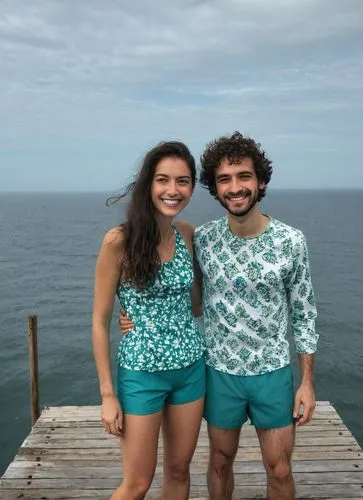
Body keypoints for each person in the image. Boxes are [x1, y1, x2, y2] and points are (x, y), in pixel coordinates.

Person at [120, 131, 319, 500]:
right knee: (219, 462)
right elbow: (177, 290)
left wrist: (306, 380)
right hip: (218, 370)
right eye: (224, 179)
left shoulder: (292, 241)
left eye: (244, 176)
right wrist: (131, 312)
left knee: (280, 468)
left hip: (272, 370)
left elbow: (304, 312)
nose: (235, 187)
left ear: (260, 181)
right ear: (214, 187)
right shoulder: (203, 238)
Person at [92, 141, 206, 500]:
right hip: (142, 373)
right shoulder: (119, 242)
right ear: (148, 184)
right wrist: (108, 394)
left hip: (190, 370)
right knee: (137, 483)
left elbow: (196, 306)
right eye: (163, 180)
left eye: (183, 181)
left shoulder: (187, 233)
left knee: (178, 471)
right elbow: (99, 321)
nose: (173, 190)